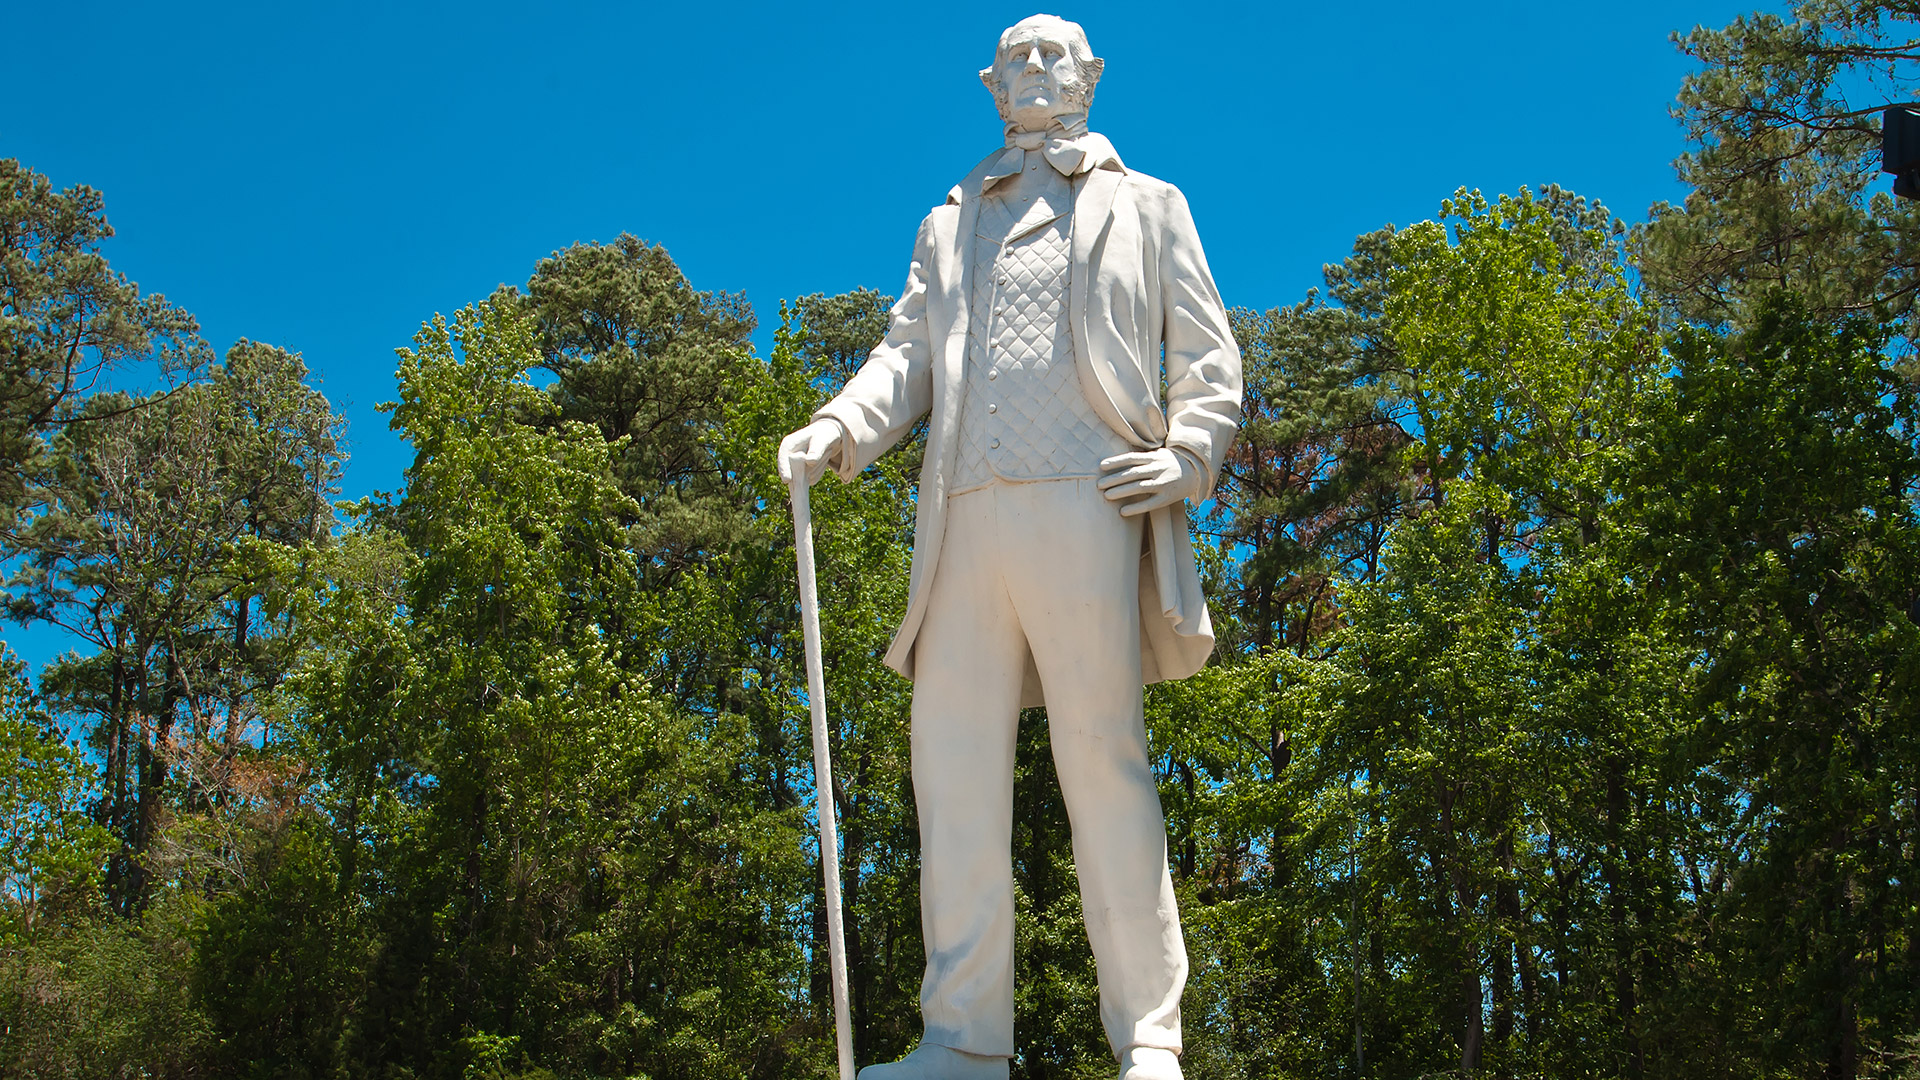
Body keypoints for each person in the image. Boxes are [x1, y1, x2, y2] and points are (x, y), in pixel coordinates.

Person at [778, 14, 1241, 1080]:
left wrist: (1189, 454)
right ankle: (962, 1039)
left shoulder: (1149, 204)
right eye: (1014, 57)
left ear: (1090, 75)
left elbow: (1208, 358)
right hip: (964, 516)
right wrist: (840, 426)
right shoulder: (949, 222)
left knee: (1102, 760)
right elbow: (906, 354)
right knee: (951, 772)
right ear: (990, 84)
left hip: (1092, 500)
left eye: (1052, 53)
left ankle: (1150, 1038)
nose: (1033, 67)